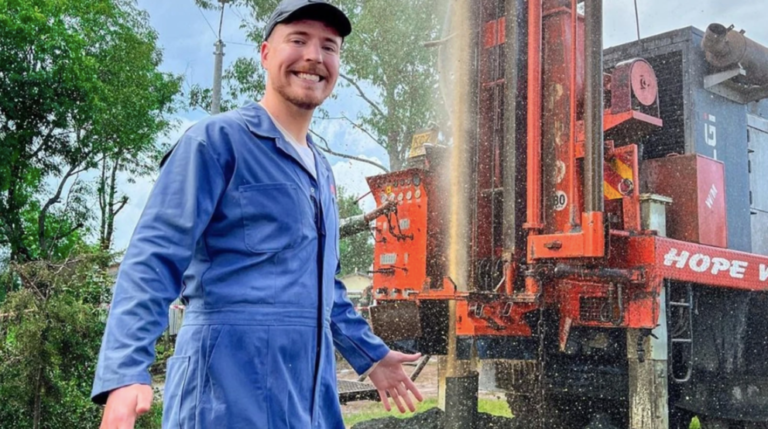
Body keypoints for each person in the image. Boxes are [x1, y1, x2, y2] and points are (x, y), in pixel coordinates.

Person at [91, 1, 423, 427]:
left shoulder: (320, 169)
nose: (314, 57)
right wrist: (124, 372)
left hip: (308, 395)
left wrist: (370, 354)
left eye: (329, 46)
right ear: (266, 54)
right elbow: (153, 257)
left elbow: (323, 284)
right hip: (226, 391)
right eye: (298, 40)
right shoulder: (216, 142)